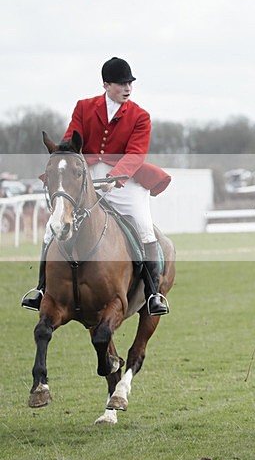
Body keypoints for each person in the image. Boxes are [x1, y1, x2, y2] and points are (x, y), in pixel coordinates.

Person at [21, 57, 172, 315]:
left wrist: (117, 176)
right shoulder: (84, 107)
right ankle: (41, 290)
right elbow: (70, 138)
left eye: (130, 83)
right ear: (106, 84)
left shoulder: (140, 116)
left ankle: (153, 294)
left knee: (145, 228)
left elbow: (136, 154)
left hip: (126, 182)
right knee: (51, 229)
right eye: (122, 83)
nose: (127, 88)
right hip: (86, 177)